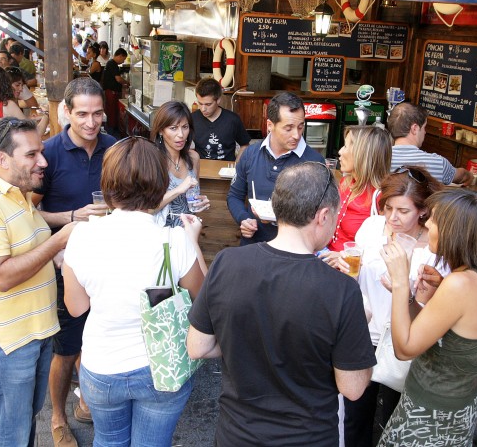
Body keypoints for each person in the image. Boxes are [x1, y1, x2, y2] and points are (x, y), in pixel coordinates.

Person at [188, 161, 375, 446]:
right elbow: (353, 388)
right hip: (307, 438)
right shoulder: (343, 291)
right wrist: (358, 328)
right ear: (323, 216)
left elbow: (198, 346)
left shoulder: (227, 263)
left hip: (236, 435)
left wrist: (244, 343)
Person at [62, 136, 206, 446]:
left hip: (101, 366)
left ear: (109, 183)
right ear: (158, 182)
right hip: (160, 367)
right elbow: (203, 299)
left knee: (109, 441)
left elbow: (76, 308)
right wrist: (192, 240)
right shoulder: (173, 240)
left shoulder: (82, 236)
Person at [0, 118, 75, 447]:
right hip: (6, 343)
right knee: (12, 432)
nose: (44, 162)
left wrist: (61, 254)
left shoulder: (20, 196)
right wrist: (58, 241)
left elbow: (30, 249)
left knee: (24, 420)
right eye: (32, 154)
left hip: (33, 334)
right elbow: (2, 276)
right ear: (3, 159)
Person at [376, 188, 477, 445]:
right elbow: (458, 323)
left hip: (431, 416)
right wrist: (423, 293)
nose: (428, 224)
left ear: (455, 231)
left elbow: (405, 349)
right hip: (462, 407)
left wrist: (401, 283)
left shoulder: (459, 285)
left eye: (434, 220)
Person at [345, 166, 447, 445]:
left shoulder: (434, 250)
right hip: (364, 332)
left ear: (423, 211)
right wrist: (348, 271)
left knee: (395, 417)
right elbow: (358, 277)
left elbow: (436, 308)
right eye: (388, 208)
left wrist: (408, 290)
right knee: (354, 416)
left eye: (403, 211)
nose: (392, 217)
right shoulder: (371, 228)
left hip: (404, 343)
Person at [38, 77, 114, 447]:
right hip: (64, 265)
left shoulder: (114, 148)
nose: (90, 122)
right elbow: (30, 213)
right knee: (65, 348)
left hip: (107, 263)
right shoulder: (48, 153)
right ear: (65, 112)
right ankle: (57, 417)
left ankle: (86, 397)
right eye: (82, 113)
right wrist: (72, 216)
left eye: (97, 113)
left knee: (98, 335)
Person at [227, 91, 325, 245]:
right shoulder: (251, 154)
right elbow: (234, 196)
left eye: (300, 127)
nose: (296, 135)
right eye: (288, 128)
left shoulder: (314, 162)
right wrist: (243, 219)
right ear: (270, 125)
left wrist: (280, 219)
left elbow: (321, 213)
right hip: (253, 246)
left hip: (295, 251)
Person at [321, 125, 391, 255]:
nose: (340, 151)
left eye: (346, 146)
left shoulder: (382, 197)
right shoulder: (345, 183)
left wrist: (344, 257)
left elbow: (383, 252)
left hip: (351, 269)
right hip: (327, 258)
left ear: (362, 154)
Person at [149, 101, 210, 227]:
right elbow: (148, 209)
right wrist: (178, 190)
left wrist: (201, 202)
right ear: (161, 131)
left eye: (185, 127)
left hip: (188, 235)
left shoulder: (194, 158)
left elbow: (194, 197)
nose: (181, 135)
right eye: (173, 128)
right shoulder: (153, 161)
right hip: (162, 238)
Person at [386, 102, 472, 185]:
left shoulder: (378, 158)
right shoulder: (438, 163)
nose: (425, 132)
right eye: (424, 127)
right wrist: (469, 176)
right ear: (414, 129)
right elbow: (462, 176)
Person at [192, 78, 250, 162]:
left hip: (226, 171)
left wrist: (236, 167)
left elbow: (245, 145)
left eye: (208, 104)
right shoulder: (192, 119)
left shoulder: (232, 120)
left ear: (218, 100)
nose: (203, 109)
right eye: (200, 103)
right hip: (200, 170)